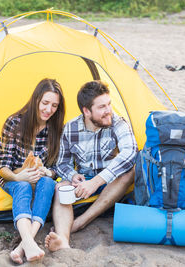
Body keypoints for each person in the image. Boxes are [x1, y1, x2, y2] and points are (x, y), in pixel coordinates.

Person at [45, 80, 137, 251]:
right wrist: (73, 176)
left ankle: (80, 223)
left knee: (129, 172)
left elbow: (130, 153)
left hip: (112, 180)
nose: (108, 110)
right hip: (84, 181)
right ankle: (63, 241)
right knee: (60, 188)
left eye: (109, 104)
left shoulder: (118, 122)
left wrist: (95, 181)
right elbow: (62, 164)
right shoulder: (71, 128)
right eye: (102, 107)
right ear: (86, 111)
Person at [0, 78, 65, 263]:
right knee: (23, 187)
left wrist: (47, 172)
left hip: (40, 180)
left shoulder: (56, 129)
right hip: (14, 178)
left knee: (48, 182)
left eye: (54, 106)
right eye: (45, 103)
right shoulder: (14, 122)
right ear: (36, 99)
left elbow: (57, 170)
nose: (48, 110)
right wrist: (19, 176)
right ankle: (28, 242)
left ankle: (23, 245)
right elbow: (3, 168)